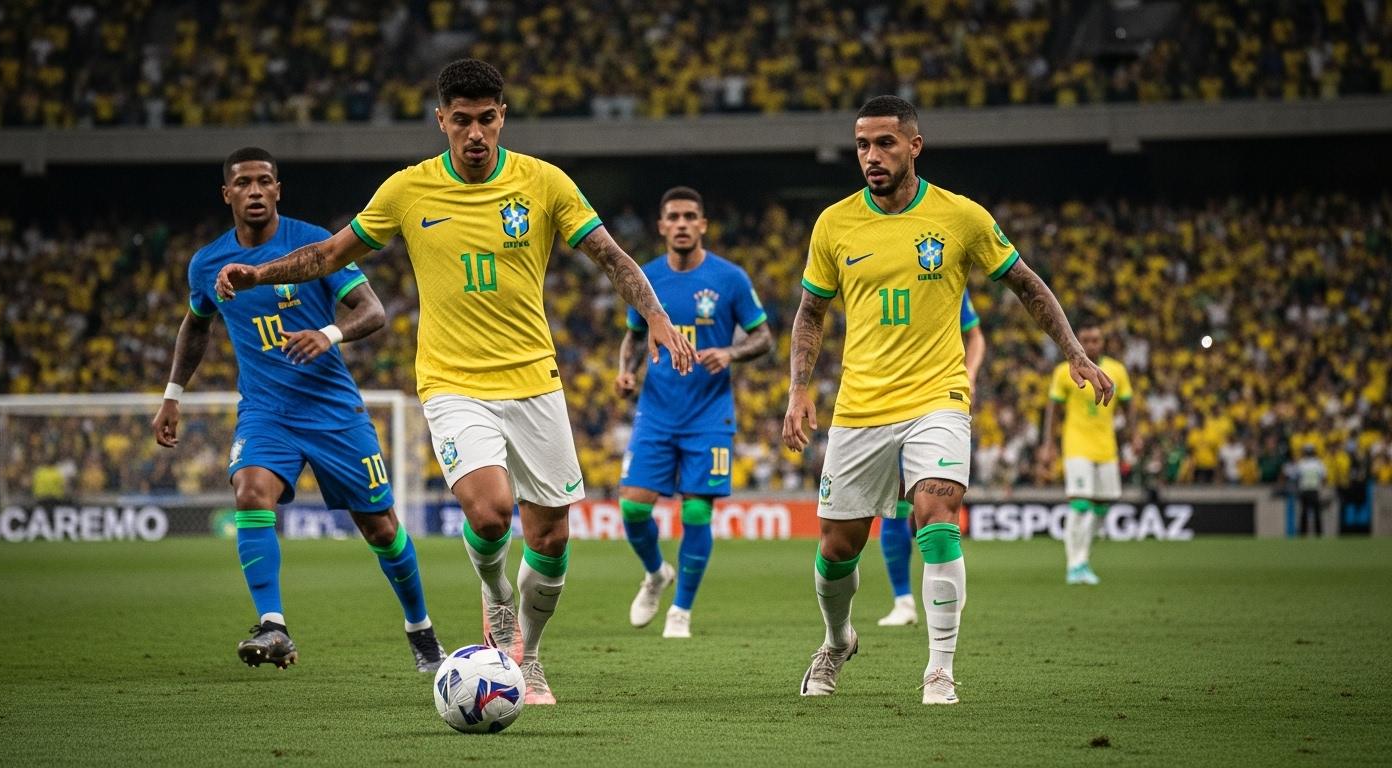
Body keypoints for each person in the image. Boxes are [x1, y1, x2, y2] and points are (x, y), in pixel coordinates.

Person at [214, 60, 694, 704]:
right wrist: (259, 272)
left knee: (550, 536)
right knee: (492, 514)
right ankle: (497, 608)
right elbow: (328, 255)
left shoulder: (543, 183)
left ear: (502, 117)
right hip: (452, 382)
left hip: (535, 380)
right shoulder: (408, 191)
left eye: (486, 119)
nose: (474, 132)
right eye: (461, 120)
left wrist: (657, 317)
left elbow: (608, 254)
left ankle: (530, 655)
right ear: (441, 119)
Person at [783, 95, 1113, 704]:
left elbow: (1024, 282)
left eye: (885, 143)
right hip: (859, 407)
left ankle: (939, 668)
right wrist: (799, 390)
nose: (872, 156)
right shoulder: (834, 223)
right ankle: (836, 642)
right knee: (835, 548)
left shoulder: (960, 217)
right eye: (862, 145)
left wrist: (1072, 350)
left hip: (938, 397)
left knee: (935, 519)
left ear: (915, 146)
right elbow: (811, 312)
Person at [153, 147, 445, 672]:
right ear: (228, 194)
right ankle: (274, 625)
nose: (256, 190)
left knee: (380, 527)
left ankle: (421, 630)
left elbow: (372, 311)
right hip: (267, 413)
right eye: (244, 183)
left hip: (333, 411)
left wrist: (328, 334)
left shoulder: (314, 244)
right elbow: (196, 324)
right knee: (249, 489)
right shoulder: (207, 264)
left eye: (265, 181)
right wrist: (173, 394)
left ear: (278, 189)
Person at [614, 186, 774, 639]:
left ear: (702, 225)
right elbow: (632, 335)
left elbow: (764, 337)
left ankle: (680, 610)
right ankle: (655, 574)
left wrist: (730, 352)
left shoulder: (730, 279)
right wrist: (626, 372)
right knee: (632, 508)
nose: (682, 224)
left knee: (697, 513)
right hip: (657, 412)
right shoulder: (644, 278)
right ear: (662, 226)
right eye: (673, 217)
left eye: (690, 217)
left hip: (709, 414)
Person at [876, 289, 985, 626]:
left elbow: (975, 337)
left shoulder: (943, 276)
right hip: (888, 399)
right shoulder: (880, 270)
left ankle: (945, 586)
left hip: (938, 401)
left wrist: (970, 374)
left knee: (938, 500)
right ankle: (904, 601)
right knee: (896, 503)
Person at [1038, 317, 1134, 585]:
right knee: (1080, 504)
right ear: (1078, 342)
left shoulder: (1118, 370)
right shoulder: (1064, 372)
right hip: (1076, 445)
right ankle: (1075, 564)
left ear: (1103, 342)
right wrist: (1048, 444)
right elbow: (1053, 411)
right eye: (1086, 340)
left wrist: (1135, 435)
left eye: (1096, 340)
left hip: (1106, 448)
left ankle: (1083, 558)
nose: (1091, 345)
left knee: (1102, 506)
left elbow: (1128, 405)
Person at [1294, 444, 1327, 536]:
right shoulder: (1318, 463)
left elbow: (1296, 477)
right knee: (1315, 513)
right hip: (1313, 490)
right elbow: (1324, 477)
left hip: (1305, 490)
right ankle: (1318, 533)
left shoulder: (1302, 463)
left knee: (1304, 513)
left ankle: (1303, 533)